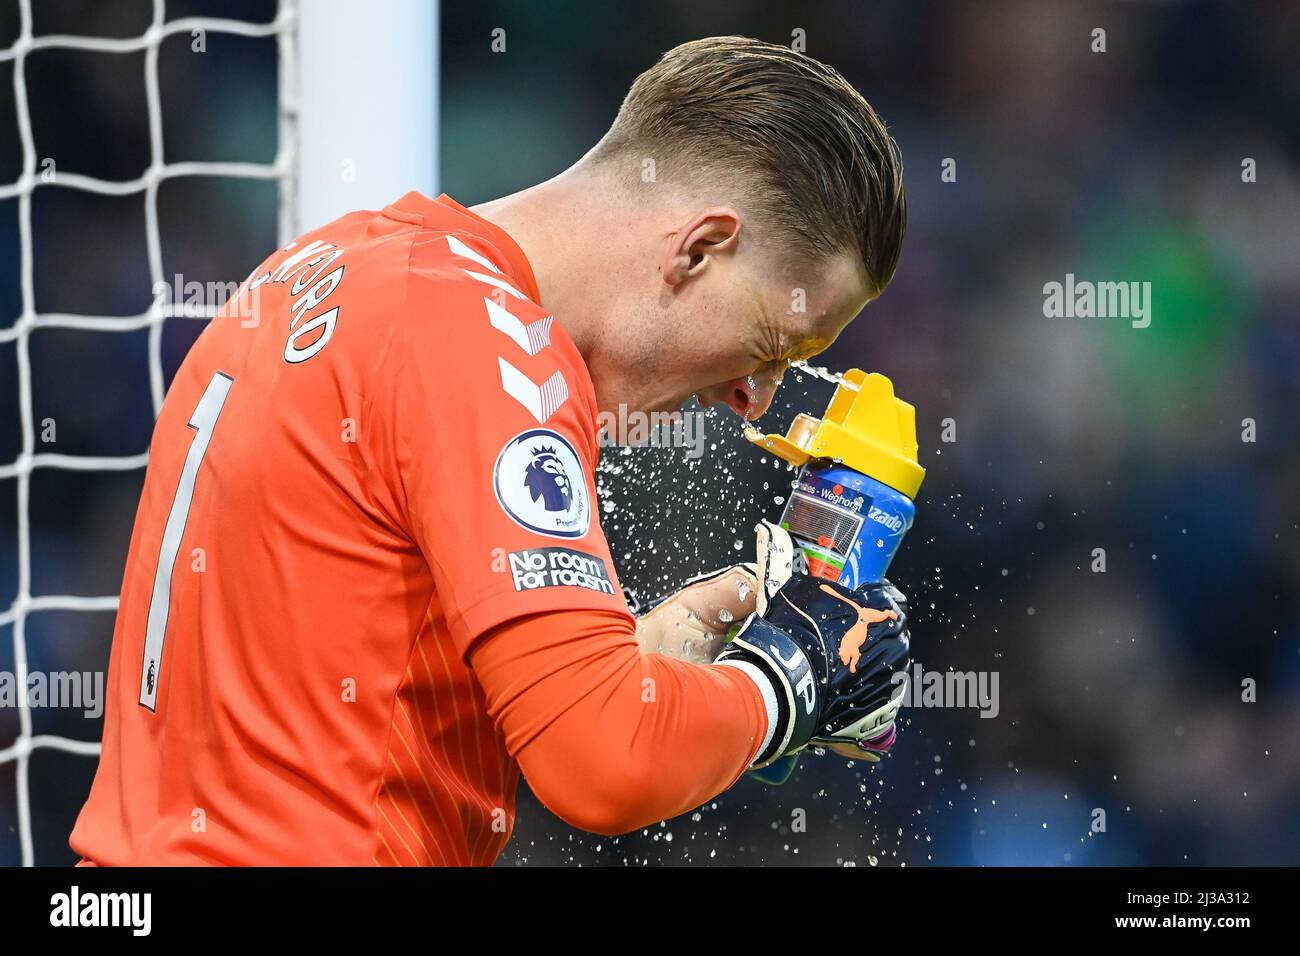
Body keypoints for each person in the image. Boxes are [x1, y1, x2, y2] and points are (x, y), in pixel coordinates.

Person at [71, 36, 911, 866]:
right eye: (772, 344)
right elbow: (603, 766)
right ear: (698, 247)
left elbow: (359, 688)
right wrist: (789, 677)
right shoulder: (492, 347)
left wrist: (680, 640)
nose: (752, 398)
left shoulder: (330, 266)